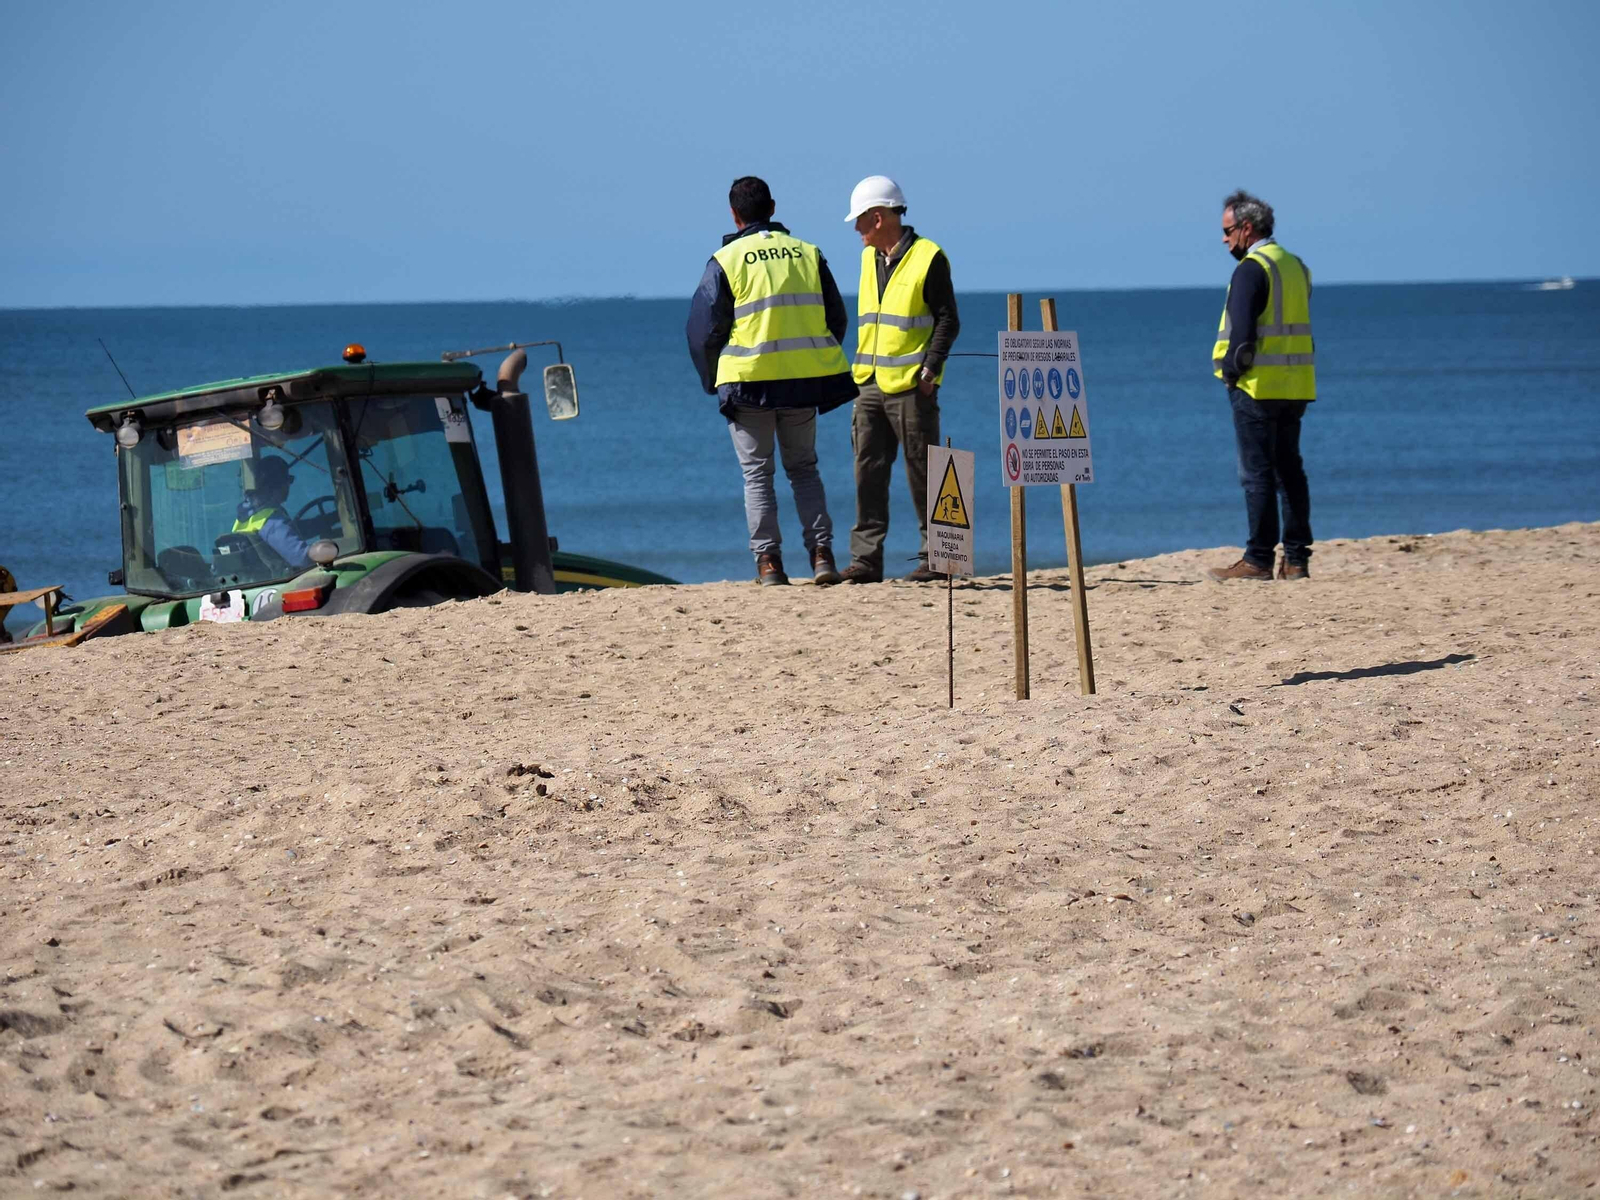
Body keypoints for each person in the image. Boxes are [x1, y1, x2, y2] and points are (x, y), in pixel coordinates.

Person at [687, 176, 856, 586]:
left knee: (757, 475)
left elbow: (704, 330)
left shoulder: (726, 260)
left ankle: (769, 563)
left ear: (734, 213)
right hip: (801, 382)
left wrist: (713, 378)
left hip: (748, 384)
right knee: (804, 469)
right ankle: (822, 556)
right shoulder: (807, 254)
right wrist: (814, 357)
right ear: (773, 207)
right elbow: (836, 318)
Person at [840, 176, 960, 584]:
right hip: (869, 382)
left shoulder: (929, 257)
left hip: (911, 385)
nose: (855, 229)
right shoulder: (866, 259)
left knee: (925, 471)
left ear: (878, 217)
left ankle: (939, 557)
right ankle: (866, 560)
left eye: (859, 220)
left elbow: (948, 319)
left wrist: (929, 371)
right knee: (867, 471)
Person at [1207, 189, 1316, 582]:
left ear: (1247, 229)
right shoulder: (1295, 265)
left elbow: (1242, 335)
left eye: (1227, 231)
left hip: (1256, 386)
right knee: (1290, 470)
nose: (1224, 239)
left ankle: (1257, 560)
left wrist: (1231, 372)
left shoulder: (1252, 269)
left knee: (1257, 473)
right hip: (1296, 383)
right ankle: (1297, 559)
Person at [233, 455, 312, 571]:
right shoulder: (269, 518)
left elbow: (292, 532)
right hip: (284, 579)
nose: (288, 486)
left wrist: (330, 518)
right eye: (288, 480)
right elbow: (301, 559)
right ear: (277, 483)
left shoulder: (248, 515)